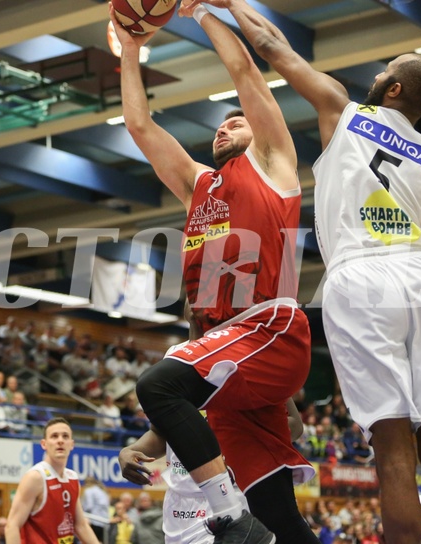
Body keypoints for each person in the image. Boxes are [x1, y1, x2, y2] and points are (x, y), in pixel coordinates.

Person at [192, 1, 421, 542]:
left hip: (360, 277)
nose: (379, 72)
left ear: (392, 90)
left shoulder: (343, 110)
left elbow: (270, 44)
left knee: (392, 452)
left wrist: (219, 5)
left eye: (387, 69)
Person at [111, 3, 310, 542]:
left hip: (270, 326)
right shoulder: (198, 186)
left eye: (236, 120)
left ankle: (227, 517)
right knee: (278, 512)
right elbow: (139, 124)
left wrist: (200, 10)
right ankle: (249, 520)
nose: (225, 124)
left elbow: (246, 73)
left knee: (157, 382)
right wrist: (131, 49)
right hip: (231, 350)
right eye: (221, 124)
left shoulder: (273, 163)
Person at [120, 301, 316, 544]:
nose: (199, 302)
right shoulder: (173, 357)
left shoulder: (246, 350)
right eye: (194, 295)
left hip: (231, 496)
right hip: (181, 506)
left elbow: (294, 425)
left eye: (208, 295)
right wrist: (132, 449)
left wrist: (238, 438)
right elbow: (161, 432)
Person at [4, 417, 100, 544]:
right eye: (54, 436)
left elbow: (80, 525)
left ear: (72, 444)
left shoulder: (72, 478)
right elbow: (12, 526)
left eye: (65, 436)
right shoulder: (35, 477)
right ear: (44, 444)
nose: (60, 441)